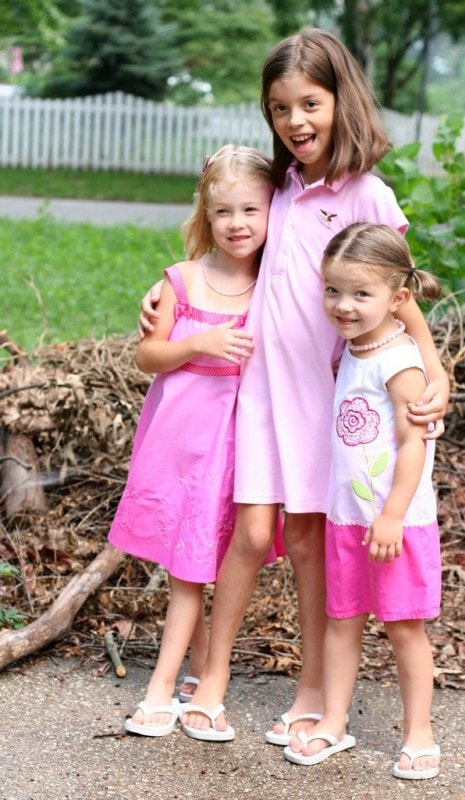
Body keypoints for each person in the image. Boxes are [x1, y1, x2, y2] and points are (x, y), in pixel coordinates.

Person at [139, 28, 449, 743]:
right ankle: (210, 676)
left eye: (310, 103)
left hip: (330, 399)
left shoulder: (367, 192)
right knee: (251, 533)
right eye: (279, 109)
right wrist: (164, 297)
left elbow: (400, 295)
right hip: (260, 391)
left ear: (342, 99)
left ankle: (313, 687)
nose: (296, 121)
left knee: (309, 540)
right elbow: (228, 255)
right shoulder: (278, 188)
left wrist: (434, 372)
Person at [108, 144, 275, 738]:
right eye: (224, 211)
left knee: (210, 556)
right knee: (186, 565)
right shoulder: (182, 280)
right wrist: (196, 346)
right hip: (181, 442)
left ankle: (198, 671)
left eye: (251, 210)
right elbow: (147, 355)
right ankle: (163, 689)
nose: (238, 224)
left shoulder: (275, 287)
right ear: (207, 212)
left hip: (239, 448)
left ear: (272, 209)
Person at [284, 223, 442, 780]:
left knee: (403, 627)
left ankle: (418, 733)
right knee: (342, 619)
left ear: (398, 299)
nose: (342, 305)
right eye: (333, 290)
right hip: (347, 518)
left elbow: (411, 443)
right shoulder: (355, 347)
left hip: (396, 522)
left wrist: (393, 514)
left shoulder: (398, 361)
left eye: (359, 294)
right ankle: (332, 721)